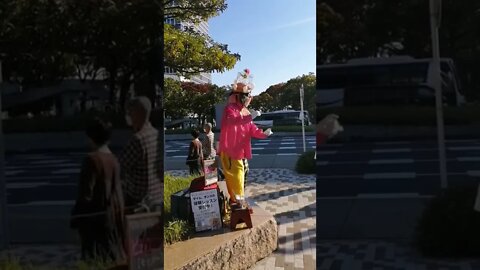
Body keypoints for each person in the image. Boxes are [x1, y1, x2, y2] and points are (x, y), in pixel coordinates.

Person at [70, 117, 126, 263]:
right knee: (112, 258)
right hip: (113, 218)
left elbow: (85, 194)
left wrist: (77, 220)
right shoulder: (113, 159)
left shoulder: (91, 159)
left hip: (94, 220)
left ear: (90, 137)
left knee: (93, 259)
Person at [218, 69, 273, 205]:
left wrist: (263, 133)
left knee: (242, 176)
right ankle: (238, 202)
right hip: (231, 150)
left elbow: (251, 129)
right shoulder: (230, 109)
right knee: (237, 176)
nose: (249, 97)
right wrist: (249, 117)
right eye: (247, 95)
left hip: (240, 151)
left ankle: (238, 201)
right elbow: (232, 121)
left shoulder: (244, 110)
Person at [120, 96, 163, 212]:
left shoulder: (137, 140)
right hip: (155, 196)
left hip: (137, 200)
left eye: (130, 113)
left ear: (137, 114)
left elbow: (121, 168)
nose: (128, 116)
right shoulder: (155, 134)